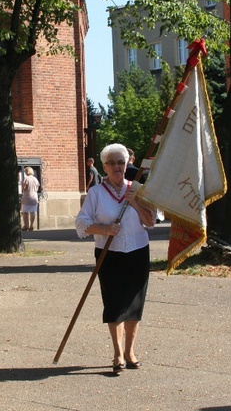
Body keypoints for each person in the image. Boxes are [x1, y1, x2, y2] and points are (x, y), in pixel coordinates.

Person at [75, 143, 156, 373]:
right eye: (112, 163)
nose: (117, 167)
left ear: (127, 164)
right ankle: (117, 353)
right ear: (104, 167)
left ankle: (130, 351)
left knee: (134, 303)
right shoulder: (96, 193)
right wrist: (104, 229)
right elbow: (81, 223)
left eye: (121, 162)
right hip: (109, 255)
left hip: (138, 252)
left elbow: (150, 221)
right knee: (114, 304)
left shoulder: (138, 189)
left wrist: (135, 202)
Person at [21, 166, 40, 231]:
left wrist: (23, 187)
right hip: (34, 196)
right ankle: (31, 225)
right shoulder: (35, 179)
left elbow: (24, 187)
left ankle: (26, 225)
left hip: (27, 196)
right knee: (33, 212)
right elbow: (37, 188)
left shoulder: (26, 178)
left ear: (27, 172)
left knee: (25, 212)